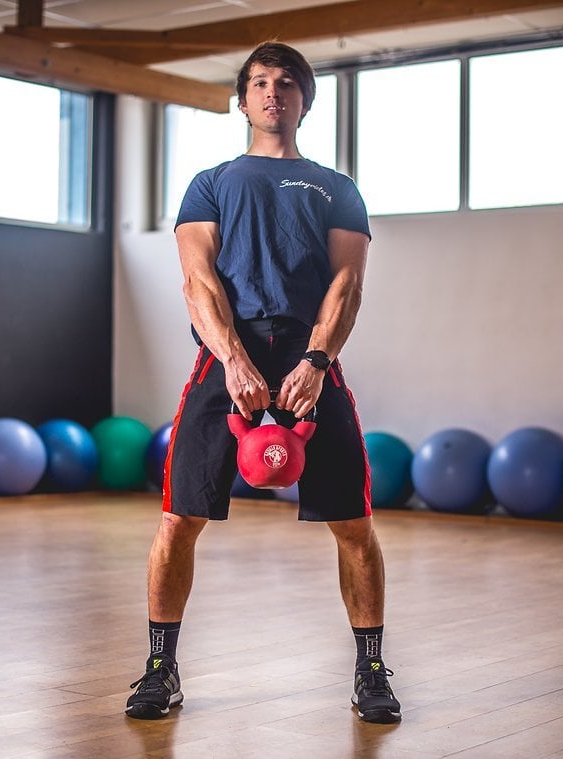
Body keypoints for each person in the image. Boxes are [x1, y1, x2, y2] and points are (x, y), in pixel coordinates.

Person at [125, 41, 401, 725]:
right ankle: (161, 666)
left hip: (310, 360)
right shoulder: (211, 182)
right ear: (241, 99)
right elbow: (198, 282)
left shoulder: (336, 187)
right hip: (226, 363)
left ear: (304, 99)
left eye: (285, 83)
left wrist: (316, 361)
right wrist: (232, 357)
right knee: (176, 519)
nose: (271, 92)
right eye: (258, 82)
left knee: (355, 525)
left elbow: (348, 284)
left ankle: (371, 669)